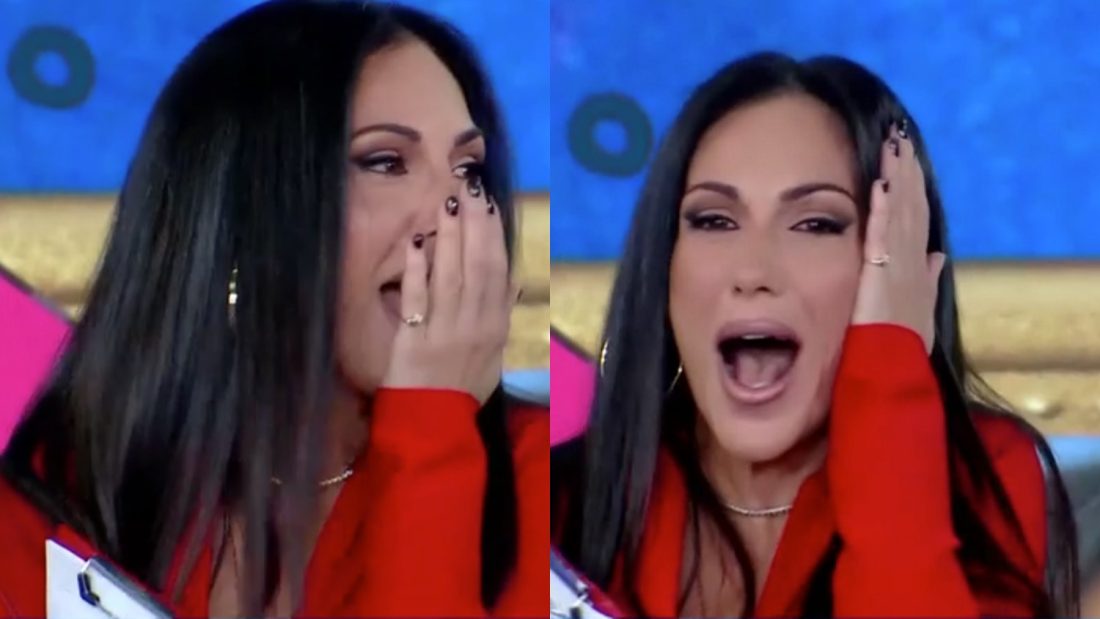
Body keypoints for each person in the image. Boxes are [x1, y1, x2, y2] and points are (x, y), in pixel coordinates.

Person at [0, 1, 547, 617]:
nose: (456, 217)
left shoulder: (538, 484)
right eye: (386, 162)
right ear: (241, 214)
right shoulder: (64, 490)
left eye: (469, 170)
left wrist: (432, 429)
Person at [551, 52, 1078, 617]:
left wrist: (890, 373)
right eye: (713, 220)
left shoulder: (984, 479)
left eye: (816, 224)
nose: (753, 271)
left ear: (896, 268)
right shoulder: (556, 502)